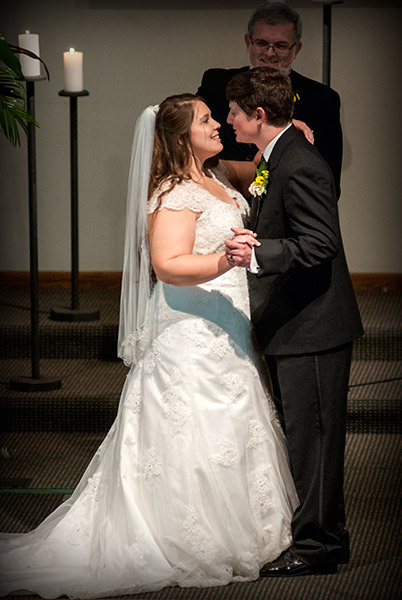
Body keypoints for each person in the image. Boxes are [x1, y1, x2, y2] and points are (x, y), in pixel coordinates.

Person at [0, 94, 299, 597]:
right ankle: (181, 534)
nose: (218, 125)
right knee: (191, 423)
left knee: (233, 418)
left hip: (228, 327)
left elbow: (265, 166)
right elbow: (168, 266)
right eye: (206, 120)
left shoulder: (217, 178)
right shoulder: (174, 192)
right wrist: (226, 262)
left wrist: (291, 130)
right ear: (183, 136)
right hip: (191, 328)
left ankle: (243, 526)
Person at [224, 66, 363, 577]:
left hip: (316, 327)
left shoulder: (299, 162)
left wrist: (258, 255)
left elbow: (321, 244)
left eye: (235, 112)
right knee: (305, 440)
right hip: (294, 324)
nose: (229, 120)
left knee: (316, 442)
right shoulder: (275, 156)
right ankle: (327, 537)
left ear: (258, 115)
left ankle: (319, 546)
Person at [197, 1, 343, 197]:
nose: (269, 53)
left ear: (296, 49)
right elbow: (181, 127)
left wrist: (283, 129)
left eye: (280, 46)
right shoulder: (216, 83)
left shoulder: (321, 100)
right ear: (248, 42)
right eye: (262, 43)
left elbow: (328, 181)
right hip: (219, 198)